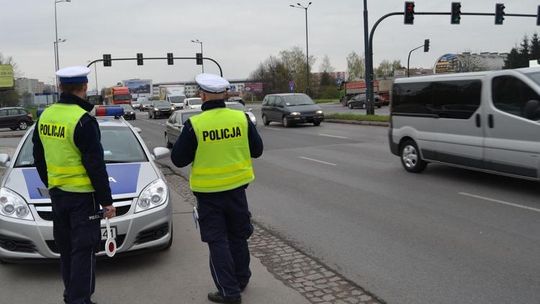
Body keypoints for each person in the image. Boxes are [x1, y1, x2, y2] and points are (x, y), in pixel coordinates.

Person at [171, 73, 263, 304]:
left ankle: (229, 292)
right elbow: (257, 150)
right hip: (237, 192)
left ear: (202, 96)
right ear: (224, 94)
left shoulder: (195, 125)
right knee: (238, 236)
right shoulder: (241, 118)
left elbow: (178, 159)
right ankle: (241, 279)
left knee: (217, 241)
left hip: (209, 195)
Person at [32, 66, 116, 304]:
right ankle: (79, 300)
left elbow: (38, 155)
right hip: (82, 198)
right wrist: (107, 202)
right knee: (84, 249)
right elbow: (95, 166)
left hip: (57, 194)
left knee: (66, 249)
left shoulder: (45, 115)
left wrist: (50, 182)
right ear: (85, 87)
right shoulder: (82, 121)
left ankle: (71, 294)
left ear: (60, 87)